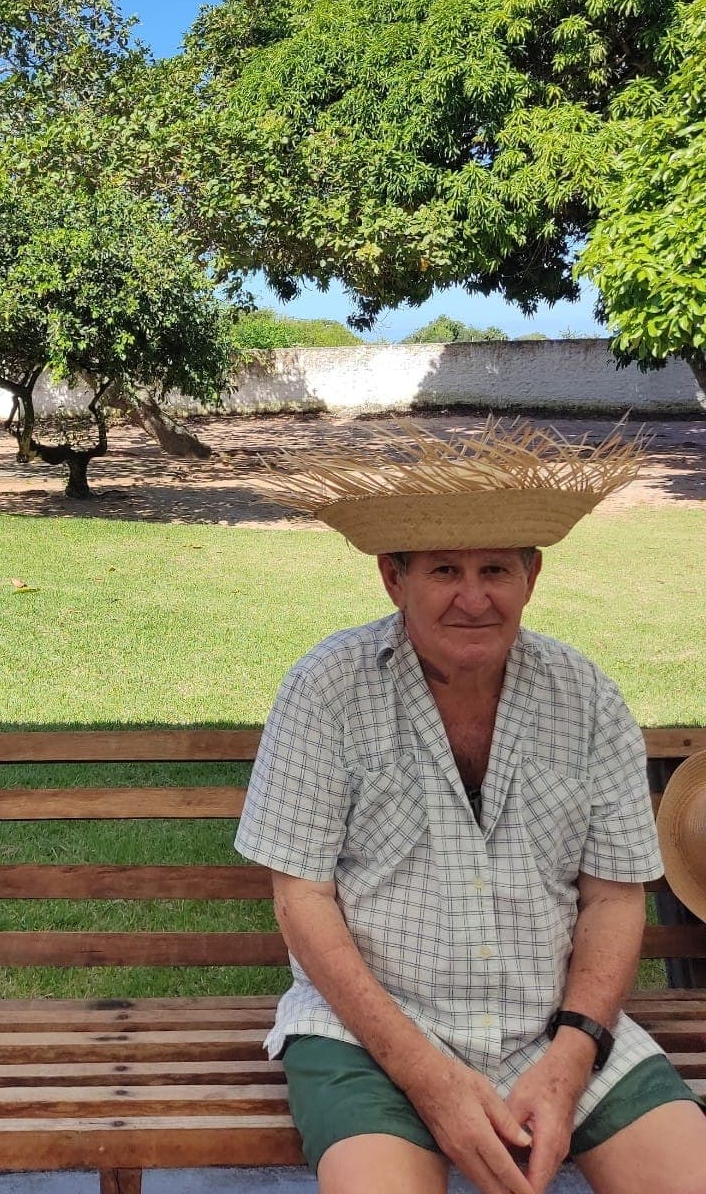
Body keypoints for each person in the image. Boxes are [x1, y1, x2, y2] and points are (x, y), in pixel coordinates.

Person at [236, 421, 706, 1194]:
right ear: (394, 579)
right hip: (369, 1037)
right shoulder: (329, 688)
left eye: (495, 568)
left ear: (533, 574)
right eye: (445, 570)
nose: (474, 597)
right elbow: (302, 900)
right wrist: (429, 1079)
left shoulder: (585, 697)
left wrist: (571, 1056)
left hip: (555, 1027)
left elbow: (614, 898)